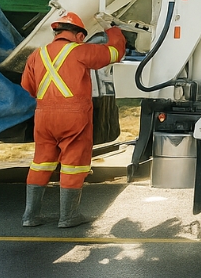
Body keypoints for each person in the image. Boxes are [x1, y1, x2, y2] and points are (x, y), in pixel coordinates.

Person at [20, 12, 126, 228]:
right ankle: (68, 217)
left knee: (41, 162)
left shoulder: (37, 55)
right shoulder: (81, 51)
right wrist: (112, 29)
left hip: (44, 116)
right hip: (73, 116)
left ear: (57, 32)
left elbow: (27, 87)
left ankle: (30, 216)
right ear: (79, 36)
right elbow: (115, 53)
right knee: (73, 163)